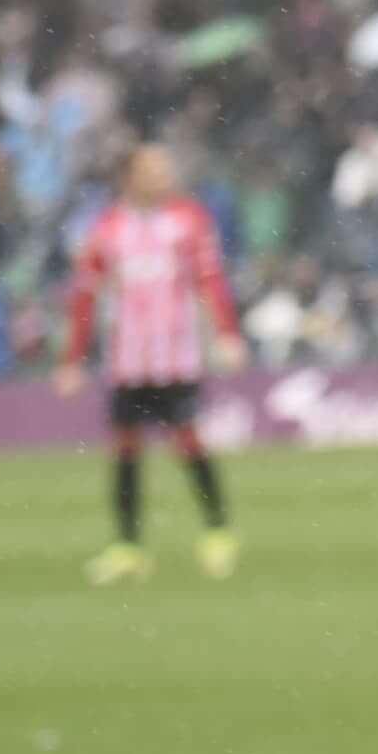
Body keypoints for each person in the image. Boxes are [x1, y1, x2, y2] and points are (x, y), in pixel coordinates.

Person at [60, 140, 240, 584]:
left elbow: (210, 279)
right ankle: (128, 547)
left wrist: (226, 333)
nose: (164, 178)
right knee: (125, 450)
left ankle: (218, 533)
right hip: (128, 359)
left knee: (188, 442)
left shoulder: (188, 220)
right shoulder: (106, 229)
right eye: (153, 170)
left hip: (175, 357)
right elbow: (84, 295)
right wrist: (72, 358)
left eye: (166, 170)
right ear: (130, 177)